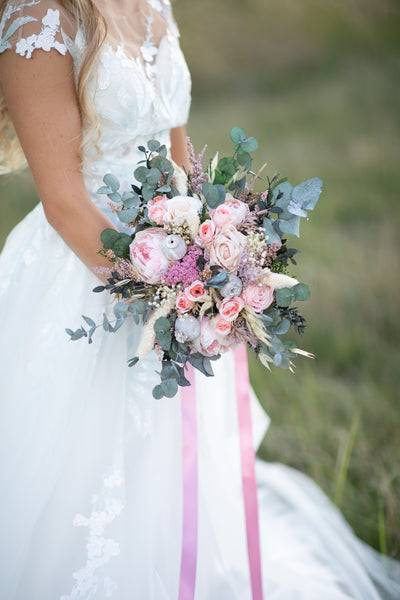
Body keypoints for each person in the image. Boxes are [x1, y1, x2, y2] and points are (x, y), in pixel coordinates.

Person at [0, 1, 399, 598]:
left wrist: (220, 253)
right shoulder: (38, 19)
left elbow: (177, 151)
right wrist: (171, 297)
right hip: (87, 270)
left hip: (177, 253)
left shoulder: (150, 2)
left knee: (175, 463)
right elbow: (63, 203)